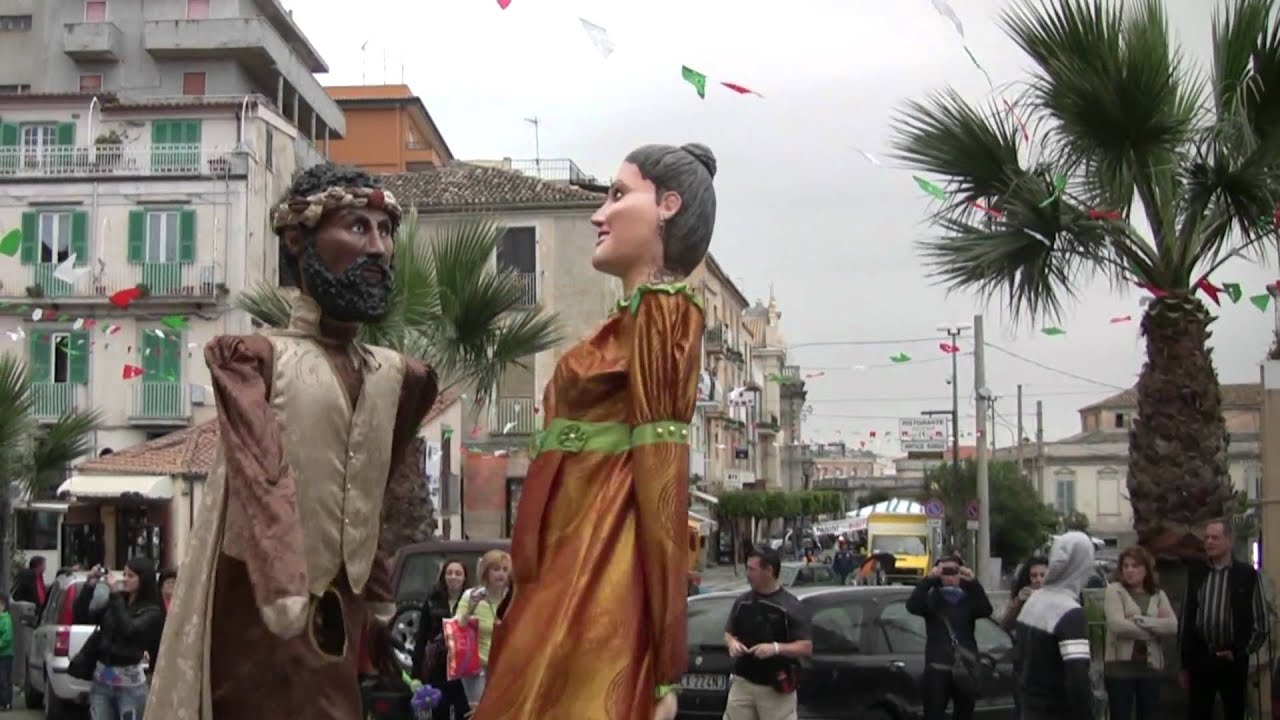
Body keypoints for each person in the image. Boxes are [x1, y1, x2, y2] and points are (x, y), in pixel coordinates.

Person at [145, 164, 439, 719]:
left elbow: (379, 485)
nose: (378, 248)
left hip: (343, 616)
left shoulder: (396, 375)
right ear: (299, 239)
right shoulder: (256, 359)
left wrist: (378, 586)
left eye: (385, 231)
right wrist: (282, 580)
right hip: (260, 608)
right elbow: (263, 475)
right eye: (357, 227)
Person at [475, 143, 717, 720]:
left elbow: (663, 483)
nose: (597, 214)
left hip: (602, 557)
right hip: (572, 553)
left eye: (617, 194)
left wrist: (665, 669)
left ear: (667, 205)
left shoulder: (664, 315)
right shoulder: (631, 319)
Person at [1179, 518, 1269, 720]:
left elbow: (1261, 622)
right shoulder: (1196, 573)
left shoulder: (1246, 575)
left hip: (1232, 660)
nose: (1209, 542)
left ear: (1229, 541)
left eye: (1215, 538)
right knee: (1198, 713)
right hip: (1201, 657)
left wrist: (1241, 651)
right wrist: (1185, 664)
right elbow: (1186, 619)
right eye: (1206, 538)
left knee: (1234, 711)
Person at [723, 548, 814, 720]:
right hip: (743, 682)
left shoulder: (791, 606)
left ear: (769, 570)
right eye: (747, 568)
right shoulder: (743, 602)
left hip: (775, 686)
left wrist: (775, 648)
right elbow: (728, 632)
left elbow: (806, 646)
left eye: (752, 569)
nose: (747, 574)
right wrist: (732, 644)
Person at [1016, 531, 1096, 720]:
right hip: (1057, 711)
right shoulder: (1070, 612)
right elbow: (1077, 677)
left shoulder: (1034, 601)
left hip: (1029, 708)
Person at [76, 557, 166, 720]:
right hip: (102, 681)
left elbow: (129, 630)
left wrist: (115, 594)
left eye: (131, 576)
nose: (125, 579)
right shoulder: (117, 601)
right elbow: (84, 617)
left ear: (143, 580)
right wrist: (89, 587)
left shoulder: (152, 611)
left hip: (129, 686)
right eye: (124, 574)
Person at [906, 553, 993, 720]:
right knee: (933, 714)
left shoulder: (968, 599)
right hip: (937, 667)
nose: (951, 577)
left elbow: (986, 609)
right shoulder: (932, 599)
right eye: (945, 571)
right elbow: (912, 606)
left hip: (964, 668)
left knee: (964, 714)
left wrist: (973, 582)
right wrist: (928, 579)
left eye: (954, 571)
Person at [1103, 545, 1177, 720]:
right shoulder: (1115, 590)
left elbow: (1172, 626)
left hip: (1150, 668)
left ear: (1146, 569)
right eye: (1126, 566)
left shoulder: (1158, 594)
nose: (1129, 570)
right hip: (1119, 668)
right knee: (1121, 714)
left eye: (1135, 566)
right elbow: (1117, 625)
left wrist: (1140, 621)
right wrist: (1154, 629)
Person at [411, 559, 471, 720]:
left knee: (464, 713)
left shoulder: (472, 603)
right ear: (443, 576)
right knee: (439, 712)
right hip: (437, 667)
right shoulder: (432, 601)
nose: (453, 577)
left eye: (458, 573)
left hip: (463, 669)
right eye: (449, 573)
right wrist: (416, 673)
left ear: (465, 578)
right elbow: (421, 637)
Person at [454, 551, 511, 707]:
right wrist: (471, 609)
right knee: (479, 711)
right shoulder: (471, 595)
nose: (501, 574)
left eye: (505, 570)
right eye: (496, 569)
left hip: (503, 665)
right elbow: (457, 627)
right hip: (475, 665)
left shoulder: (511, 599)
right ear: (486, 571)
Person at [1003, 555, 1048, 631]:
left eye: (1043, 575)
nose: (1039, 579)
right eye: (1034, 576)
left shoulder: (1058, 596)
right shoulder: (1021, 597)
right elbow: (1005, 626)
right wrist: (1018, 602)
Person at [0, 592, 12, 711]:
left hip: (5, 654)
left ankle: (6, 702)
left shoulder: (5, 619)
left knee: (4, 679)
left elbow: (7, 637)